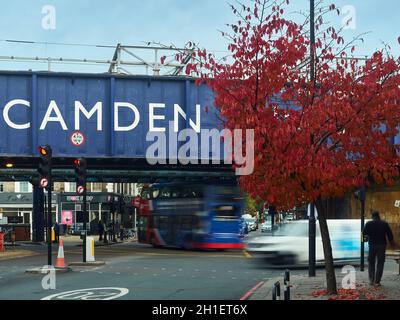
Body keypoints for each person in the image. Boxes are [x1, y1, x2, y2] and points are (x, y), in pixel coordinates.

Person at [363, 211, 395, 286]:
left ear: (372, 216)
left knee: (371, 263)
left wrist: (364, 240)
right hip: (382, 245)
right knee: (380, 263)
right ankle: (377, 281)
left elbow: (363, 234)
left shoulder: (368, 224)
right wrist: (392, 243)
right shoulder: (384, 223)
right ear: (378, 216)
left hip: (372, 245)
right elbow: (390, 234)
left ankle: (371, 280)